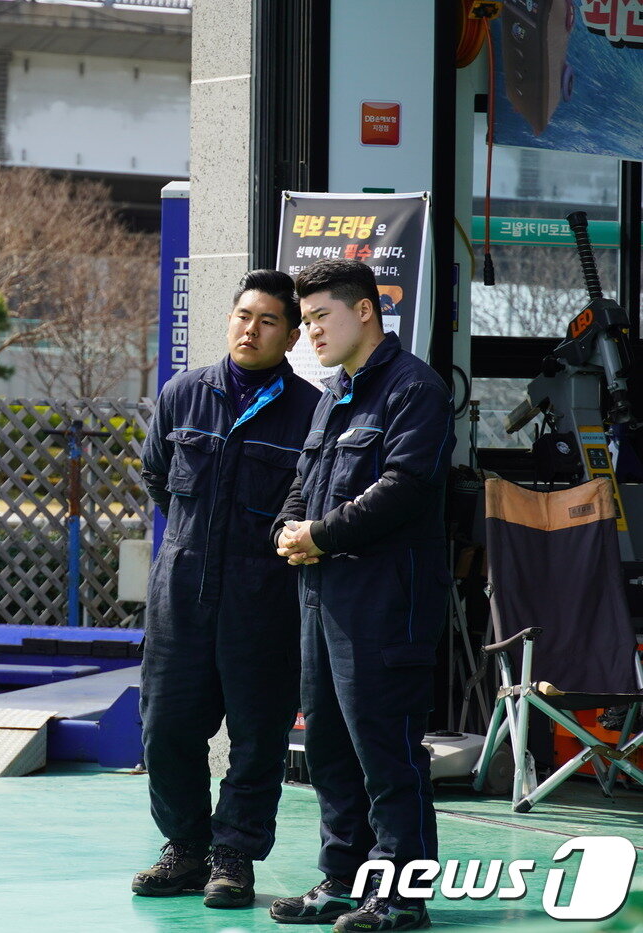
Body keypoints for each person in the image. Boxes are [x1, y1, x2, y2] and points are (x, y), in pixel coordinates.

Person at [271, 259, 453, 932]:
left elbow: (404, 486)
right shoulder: (334, 395)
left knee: (385, 751)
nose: (311, 332)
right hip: (323, 598)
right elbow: (303, 480)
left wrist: (319, 534)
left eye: (321, 316)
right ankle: (345, 879)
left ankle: (402, 895)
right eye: (306, 320)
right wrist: (288, 530)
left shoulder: (415, 389)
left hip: (385, 602)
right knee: (328, 749)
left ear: (366, 310)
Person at [134, 270, 319, 909]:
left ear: (292, 337)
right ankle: (185, 848)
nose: (251, 330)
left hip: (263, 599)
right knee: (166, 727)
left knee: (257, 736)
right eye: (243, 316)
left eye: (268, 321)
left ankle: (233, 855)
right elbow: (156, 476)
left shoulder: (310, 412)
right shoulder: (184, 393)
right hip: (181, 592)